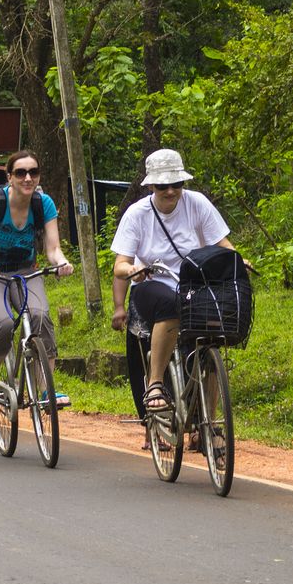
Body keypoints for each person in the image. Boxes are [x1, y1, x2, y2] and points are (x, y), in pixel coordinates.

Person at [110, 149, 240, 418]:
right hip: (152, 282)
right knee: (170, 305)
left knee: (212, 340)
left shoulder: (197, 203)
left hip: (194, 284)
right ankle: (155, 383)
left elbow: (222, 243)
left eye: (176, 185)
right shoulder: (137, 214)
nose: (170, 191)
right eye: (162, 186)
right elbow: (119, 265)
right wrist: (134, 269)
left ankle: (209, 421)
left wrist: (238, 259)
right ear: (151, 186)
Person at [0, 150, 74, 421]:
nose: (27, 178)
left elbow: (53, 248)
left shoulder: (43, 204)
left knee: (41, 315)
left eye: (33, 172)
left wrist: (61, 263)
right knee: (3, 322)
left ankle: (45, 390)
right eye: (21, 173)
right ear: (9, 176)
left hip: (24, 272)